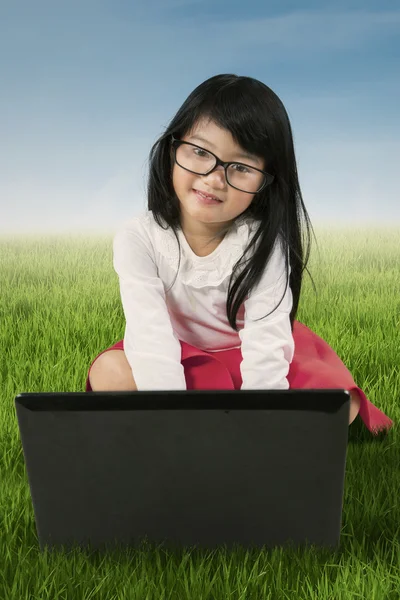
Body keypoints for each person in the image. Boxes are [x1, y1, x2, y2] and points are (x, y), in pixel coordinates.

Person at [85, 74, 393, 437]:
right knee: (110, 372)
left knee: (338, 401)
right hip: (178, 354)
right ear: (173, 149)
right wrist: (171, 420)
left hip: (250, 352)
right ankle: (209, 412)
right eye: (200, 152)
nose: (214, 179)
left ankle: (229, 415)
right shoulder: (139, 236)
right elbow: (150, 335)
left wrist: (258, 427)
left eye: (241, 167)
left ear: (266, 182)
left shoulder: (262, 242)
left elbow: (265, 342)